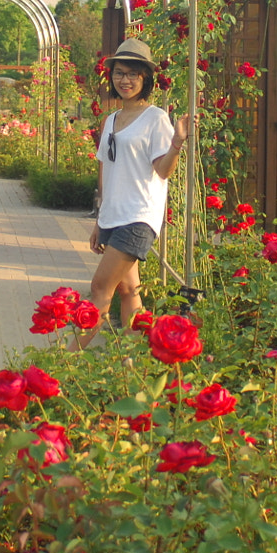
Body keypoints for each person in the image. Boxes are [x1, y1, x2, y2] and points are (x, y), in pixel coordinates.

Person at [84, 38, 194, 338]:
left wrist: (177, 143)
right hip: (113, 216)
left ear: (145, 78)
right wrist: (99, 220)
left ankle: (67, 367)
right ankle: (137, 366)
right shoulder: (111, 120)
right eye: (119, 72)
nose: (125, 80)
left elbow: (162, 171)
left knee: (99, 289)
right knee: (130, 291)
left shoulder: (155, 118)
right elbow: (105, 168)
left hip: (138, 217)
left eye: (133, 73)